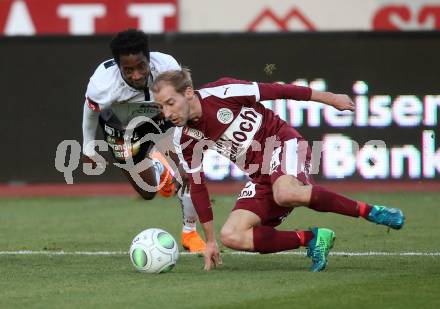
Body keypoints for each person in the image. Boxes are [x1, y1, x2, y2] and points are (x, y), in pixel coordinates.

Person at [151, 69, 405, 272]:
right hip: (260, 177)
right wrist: (210, 241)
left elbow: (279, 90)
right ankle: (312, 239)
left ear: (188, 92)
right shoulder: (183, 138)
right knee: (232, 235)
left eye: (170, 103)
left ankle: (372, 212)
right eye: (162, 107)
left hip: (282, 142)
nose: (167, 113)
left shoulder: (223, 91)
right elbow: (198, 186)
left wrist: (331, 99)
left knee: (285, 192)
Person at [81, 29, 205, 253]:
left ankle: (190, 233)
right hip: (121, 125)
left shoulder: (167, 67)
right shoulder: (102, 85)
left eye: (141, 66)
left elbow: (186, 100)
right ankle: (160, 168)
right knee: (147, 192)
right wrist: (89, 147)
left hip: (161, 115)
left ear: (149, 59)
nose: (136, 75)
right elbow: (90, 112)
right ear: (118, 67)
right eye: (128, 70)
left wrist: (189, 134)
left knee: (187, 170)